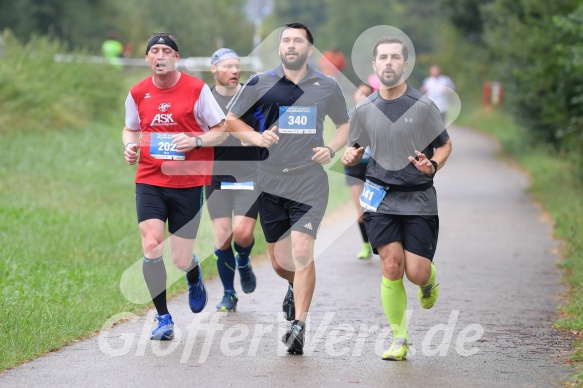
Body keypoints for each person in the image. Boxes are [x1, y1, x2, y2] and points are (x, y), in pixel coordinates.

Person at [225, 22, 350, 355]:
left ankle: (300, 324)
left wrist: (332, 149)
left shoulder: (326, 86)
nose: (291, 45)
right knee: (281, 263)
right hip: (269, 179)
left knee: (302, 250)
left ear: (310, 50)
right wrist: (255, 137)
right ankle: (294, 286)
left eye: (298, 41)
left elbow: (345, 124)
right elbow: (231, 120)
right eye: (286, 40)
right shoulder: (260, 82)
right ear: (280, 48)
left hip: (308, 178)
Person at [342, 37, 452, 361]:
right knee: (391, 266)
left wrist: (433, 165)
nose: (388, 62)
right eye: (383, 58)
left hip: (418, 197)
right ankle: (400, 339)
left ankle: (428, 281)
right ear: (374, 66)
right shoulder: (365, 108)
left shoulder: (423, 105)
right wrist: (350, 154)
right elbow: (355, 147)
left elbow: (445, 145)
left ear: (405, 65)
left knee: (416, 272)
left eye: (395, 57)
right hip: (380, 195)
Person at [122, 32, 227, 341]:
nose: (160, 55)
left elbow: (220, 130)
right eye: (154, 50)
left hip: (188, 181)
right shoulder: (138, 92)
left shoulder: (197, 89)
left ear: (176, 57)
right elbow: (130, 128)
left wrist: (195, 140)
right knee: (152, 244)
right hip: (150, 179)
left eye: (166, 50)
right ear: (147, 58)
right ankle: (163, 318)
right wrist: (129, 146)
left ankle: (192, 272)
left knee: (180, 258)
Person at [206, 48, 260, 312]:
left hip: (249, 173)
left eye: (237, 66)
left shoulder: (251, 96)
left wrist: (252, 136)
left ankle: (244, 260)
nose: (235, 71)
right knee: (222, 236)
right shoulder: (205, 98)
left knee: (244, 233)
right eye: (227, 66)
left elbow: (270, 126)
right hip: (216, 176)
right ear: (214, 69)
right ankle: (229, 293)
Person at [344, 82, 374, 260]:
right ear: (355, 95)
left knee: (374, 209)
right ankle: (365, 245)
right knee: (361, 209)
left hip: (373, 167)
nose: (363, 97)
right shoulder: (348, 115)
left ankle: (381, 242)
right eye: (360, 94)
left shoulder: (379, 115)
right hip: (354, 167)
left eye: (367, 95)